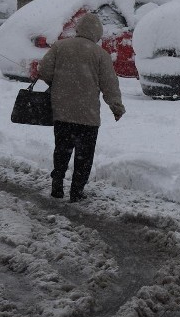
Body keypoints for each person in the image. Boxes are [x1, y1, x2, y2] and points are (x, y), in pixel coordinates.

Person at [39, 12, 125, 202]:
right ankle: (77, 191)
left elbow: (43, 70)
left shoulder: (60, 47)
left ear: (78, 29)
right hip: (88, 116)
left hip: (62, 113)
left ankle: (57, 184)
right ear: (97, 33)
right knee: (83, 157)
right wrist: (116, 107)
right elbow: (110, 85)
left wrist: (57, 82)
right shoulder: (100, 55)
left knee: (61, 150)